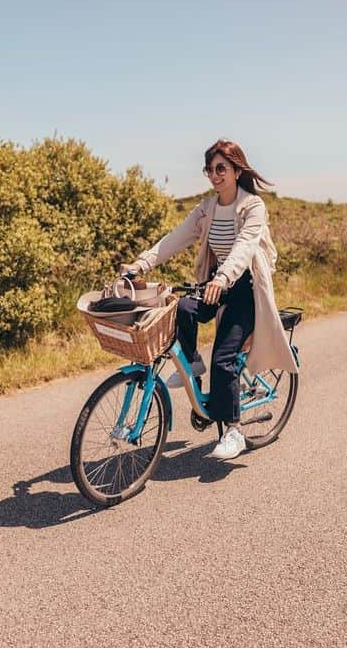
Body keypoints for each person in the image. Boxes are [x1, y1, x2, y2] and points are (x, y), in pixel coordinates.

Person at [119, 140, 298, 460]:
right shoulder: (207, 208)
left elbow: (244, 247)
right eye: (210, 169)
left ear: (236, 170)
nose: (215, 175)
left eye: (221, 169)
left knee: (224, 358)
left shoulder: (253, 206)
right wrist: (140, 264)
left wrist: (223, 278)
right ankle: (194, 368)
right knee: (183, 309)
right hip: (216, 282)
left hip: (244, 286)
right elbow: (175, 238)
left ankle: (233, 431)